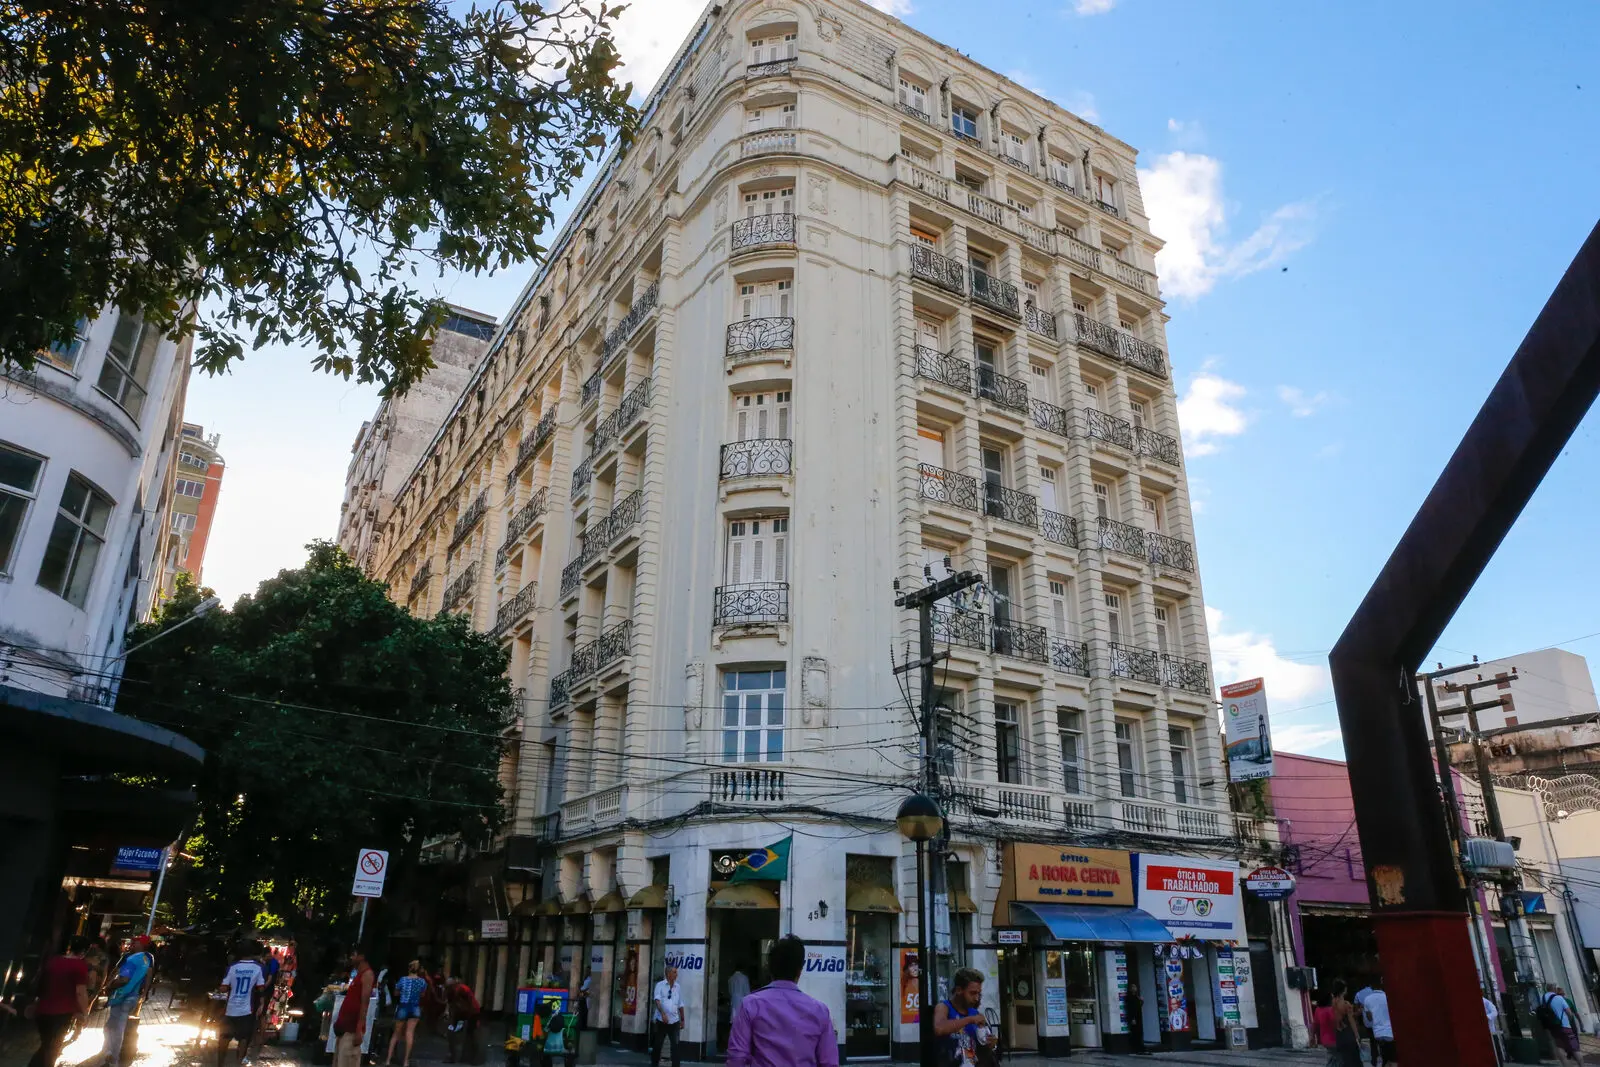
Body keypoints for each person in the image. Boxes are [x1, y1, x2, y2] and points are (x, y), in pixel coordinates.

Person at [726, 936, 837, 1067]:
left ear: (769, 969)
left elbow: (737, 1058)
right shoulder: (820, 1011)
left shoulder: (750, 1005)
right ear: (800, 971)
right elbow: (829, 1062)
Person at [27, 936, 90, 1067]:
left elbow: (39, 982)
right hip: (62, 1012)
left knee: (46, 1045)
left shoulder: (53, 961)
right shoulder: (79, 965)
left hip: (43, 1010)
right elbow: (80, 992)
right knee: (53, 1047)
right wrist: (85, 1013)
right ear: (84, 951)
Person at [102, 935, 155, 1067]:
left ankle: (111, 1055)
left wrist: (108, 985)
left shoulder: (130, 958)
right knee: (117, 1025)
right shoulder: (148, 958)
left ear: (142, 944)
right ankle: (111, 1053)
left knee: (114, 1026)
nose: (133, 944)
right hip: (133, 995)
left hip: (122, 994)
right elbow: (148, 976)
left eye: (136, 942)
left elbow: (120, 975)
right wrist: (144, 993)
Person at [934, 967, 996, 1067]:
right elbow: (939, 1028)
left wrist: (990, 1044)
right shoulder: (944, 1007)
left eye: (979, 994)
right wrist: (969, 1020)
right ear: (959, 990)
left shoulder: (975, 1013)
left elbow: (982, 1051)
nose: (976, 998)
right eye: (972, 993)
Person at [217, 942, 266, 1067]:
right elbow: (261, 988)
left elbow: (223, 988)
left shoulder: (232, 967)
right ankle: (239, 1063)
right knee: (244, 1038)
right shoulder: (258, 967)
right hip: (246, 1010)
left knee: (224, 1037)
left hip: (230, 1008)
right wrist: (261, 1002)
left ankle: (220, 1064)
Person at [332, 949, 375, 1067]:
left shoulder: (367, 974)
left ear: (361, 956)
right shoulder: (359, 974)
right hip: (344, 1028)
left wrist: (359, 1029)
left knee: (347, 1061)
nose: (351, 957)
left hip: (351, 1030)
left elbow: (364, 1003)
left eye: (354, 954)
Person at [385, 961, 427, 1067]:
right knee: (410, 1033)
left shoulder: (402, 980)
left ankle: (388, 1060)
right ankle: (406, 1062)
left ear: (409, 969)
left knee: (396, 1034)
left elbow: (396, 992)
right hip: (415, 1007)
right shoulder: (422, 982)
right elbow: (422, 994)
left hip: (403, 1006)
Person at [1538, 985, 1584, 1065]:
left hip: (1553, 1027)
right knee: (1575, 1049)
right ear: (1554, 989)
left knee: (1559, 1047)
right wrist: (1569, 1021)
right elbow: (1570, 1013)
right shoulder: (1560, 998)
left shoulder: (1543, 999)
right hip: (1565, 1026)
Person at [444, 976, 482, 1065]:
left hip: (471, 1012)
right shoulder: (451, 991)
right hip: (460, 1012)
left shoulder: (464, 989)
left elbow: (472, 1004)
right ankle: (452, 1056)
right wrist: (451, 1016)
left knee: (472, 1034)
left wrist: (474, 1018)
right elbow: (451, 1004)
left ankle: (475, 1058)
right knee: (451, 1032)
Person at [651, 965, 684, 1067]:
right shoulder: (660, 985)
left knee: (676, 1045)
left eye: (676, 972)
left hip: (674, 1021)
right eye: (674, 972)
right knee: (658, 1044)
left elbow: (680, 1004)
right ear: (668, 974)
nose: (676, 974)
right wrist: (663, 1014)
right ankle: (654, 1064)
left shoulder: (677, 987)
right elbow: (657, 1000)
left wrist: (683, 1019)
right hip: (662, 1021)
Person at [1329, 980, 1364, 1067]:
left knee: (1345, 1061)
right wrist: (1357, 1036)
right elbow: (1351, 1022)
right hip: (1349, 1035)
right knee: (1355, 1061)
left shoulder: (1332, 1003)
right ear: (1343, 990)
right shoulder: (1346, 1004)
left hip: (1339, 1036)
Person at [1362, 977, 1394, 1067]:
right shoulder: (1387, 997)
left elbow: (1369, 1019)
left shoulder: (1367, 999)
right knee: (1393, 1060)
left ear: (1371, 987)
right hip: (1390, 1032)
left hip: (1377, 1033)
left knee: (1385, 1057)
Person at [1309, 990, 1338, 1064]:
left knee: (1332, 1058)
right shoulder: (1331, 1010)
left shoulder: (1318, 1010)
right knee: (1339, 1059)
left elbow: (1315, 1024)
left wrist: (1312, 1037)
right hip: (1334, 1039)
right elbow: (1336, 1023)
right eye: (1333, 998)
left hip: (1324, 1039)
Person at [1125, 981, 1148, 1055]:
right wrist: (1132, 1018)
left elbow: (1139, 1006)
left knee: (1139, 1032)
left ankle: (1141, 1047)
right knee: (1135, 1032)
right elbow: (1130, 1008)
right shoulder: (1129, 997)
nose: (1135, 988)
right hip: (1133, 1017)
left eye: (1135, 987)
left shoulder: (1137, 996)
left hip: (1138, 1016)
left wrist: (1142, 1001)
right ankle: (1135, 1048)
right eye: (1133, 987)